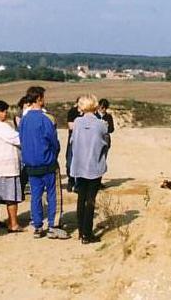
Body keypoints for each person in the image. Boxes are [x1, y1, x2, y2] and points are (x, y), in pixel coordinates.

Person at [19, 86, 68, 240]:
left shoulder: (24, 119)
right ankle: (54, 226)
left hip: (31, 164)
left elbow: (22, 140)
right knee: (53, 195)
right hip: (47, 162)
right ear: (39, 99)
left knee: (36, 196)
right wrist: (54, 154)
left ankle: (38, 226)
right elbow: (53, 141)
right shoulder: (46, 118)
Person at [69, 95, 110, 244]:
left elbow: (72, 141)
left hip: (79, 166)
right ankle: (87, 233)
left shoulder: (77, 122)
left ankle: (81, 231)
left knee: (81, 198)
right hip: (94, 165)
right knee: (90, 200)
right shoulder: (101, 124)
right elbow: (106, 143)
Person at [0, 100, 23, 232]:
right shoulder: (1, 127)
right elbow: (17, 139)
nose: (6, 114)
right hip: (7, 166)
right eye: (4, 111)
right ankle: (13, 224)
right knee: (11, 196)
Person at [65, 99, 81, 192]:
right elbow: (71, 126)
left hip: (83, 140)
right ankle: (71, 180)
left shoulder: (87, 113)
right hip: (73, 139)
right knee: (69, 162)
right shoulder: (72, 111)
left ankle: (78, 184)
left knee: (80, 162)